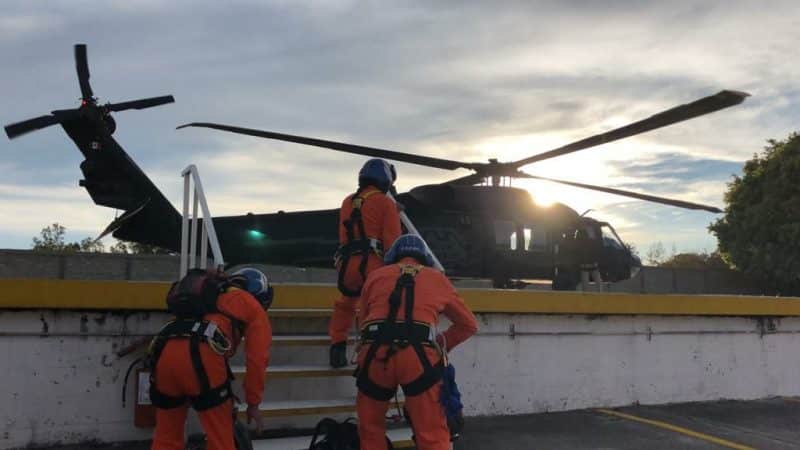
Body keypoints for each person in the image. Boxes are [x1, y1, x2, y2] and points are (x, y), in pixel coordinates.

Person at [355, 234, 478, 450]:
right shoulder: (437, 278)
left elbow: (362, 321)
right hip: (419, 360)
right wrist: (440, 343)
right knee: (432, 432)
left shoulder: (375, 277)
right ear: (424, 259)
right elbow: (468, 325)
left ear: (393, 257)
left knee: (370, 428)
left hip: (374, 357)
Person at [150, 267, 273, 450]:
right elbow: (257, 360)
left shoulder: (208, 293)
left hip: (165, 352)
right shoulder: (251, 306)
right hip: (202, 358)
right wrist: (253, 403)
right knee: (220, 439)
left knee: (166, 437)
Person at [329, 158, 402, 368]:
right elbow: (393, 242)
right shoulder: (385, 203)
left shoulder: (348, 202)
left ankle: (337, 346)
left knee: (346, 303)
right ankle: (367, 353)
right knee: (371, 306)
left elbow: (346, 236)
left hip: (347, 265)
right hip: (373, 264)